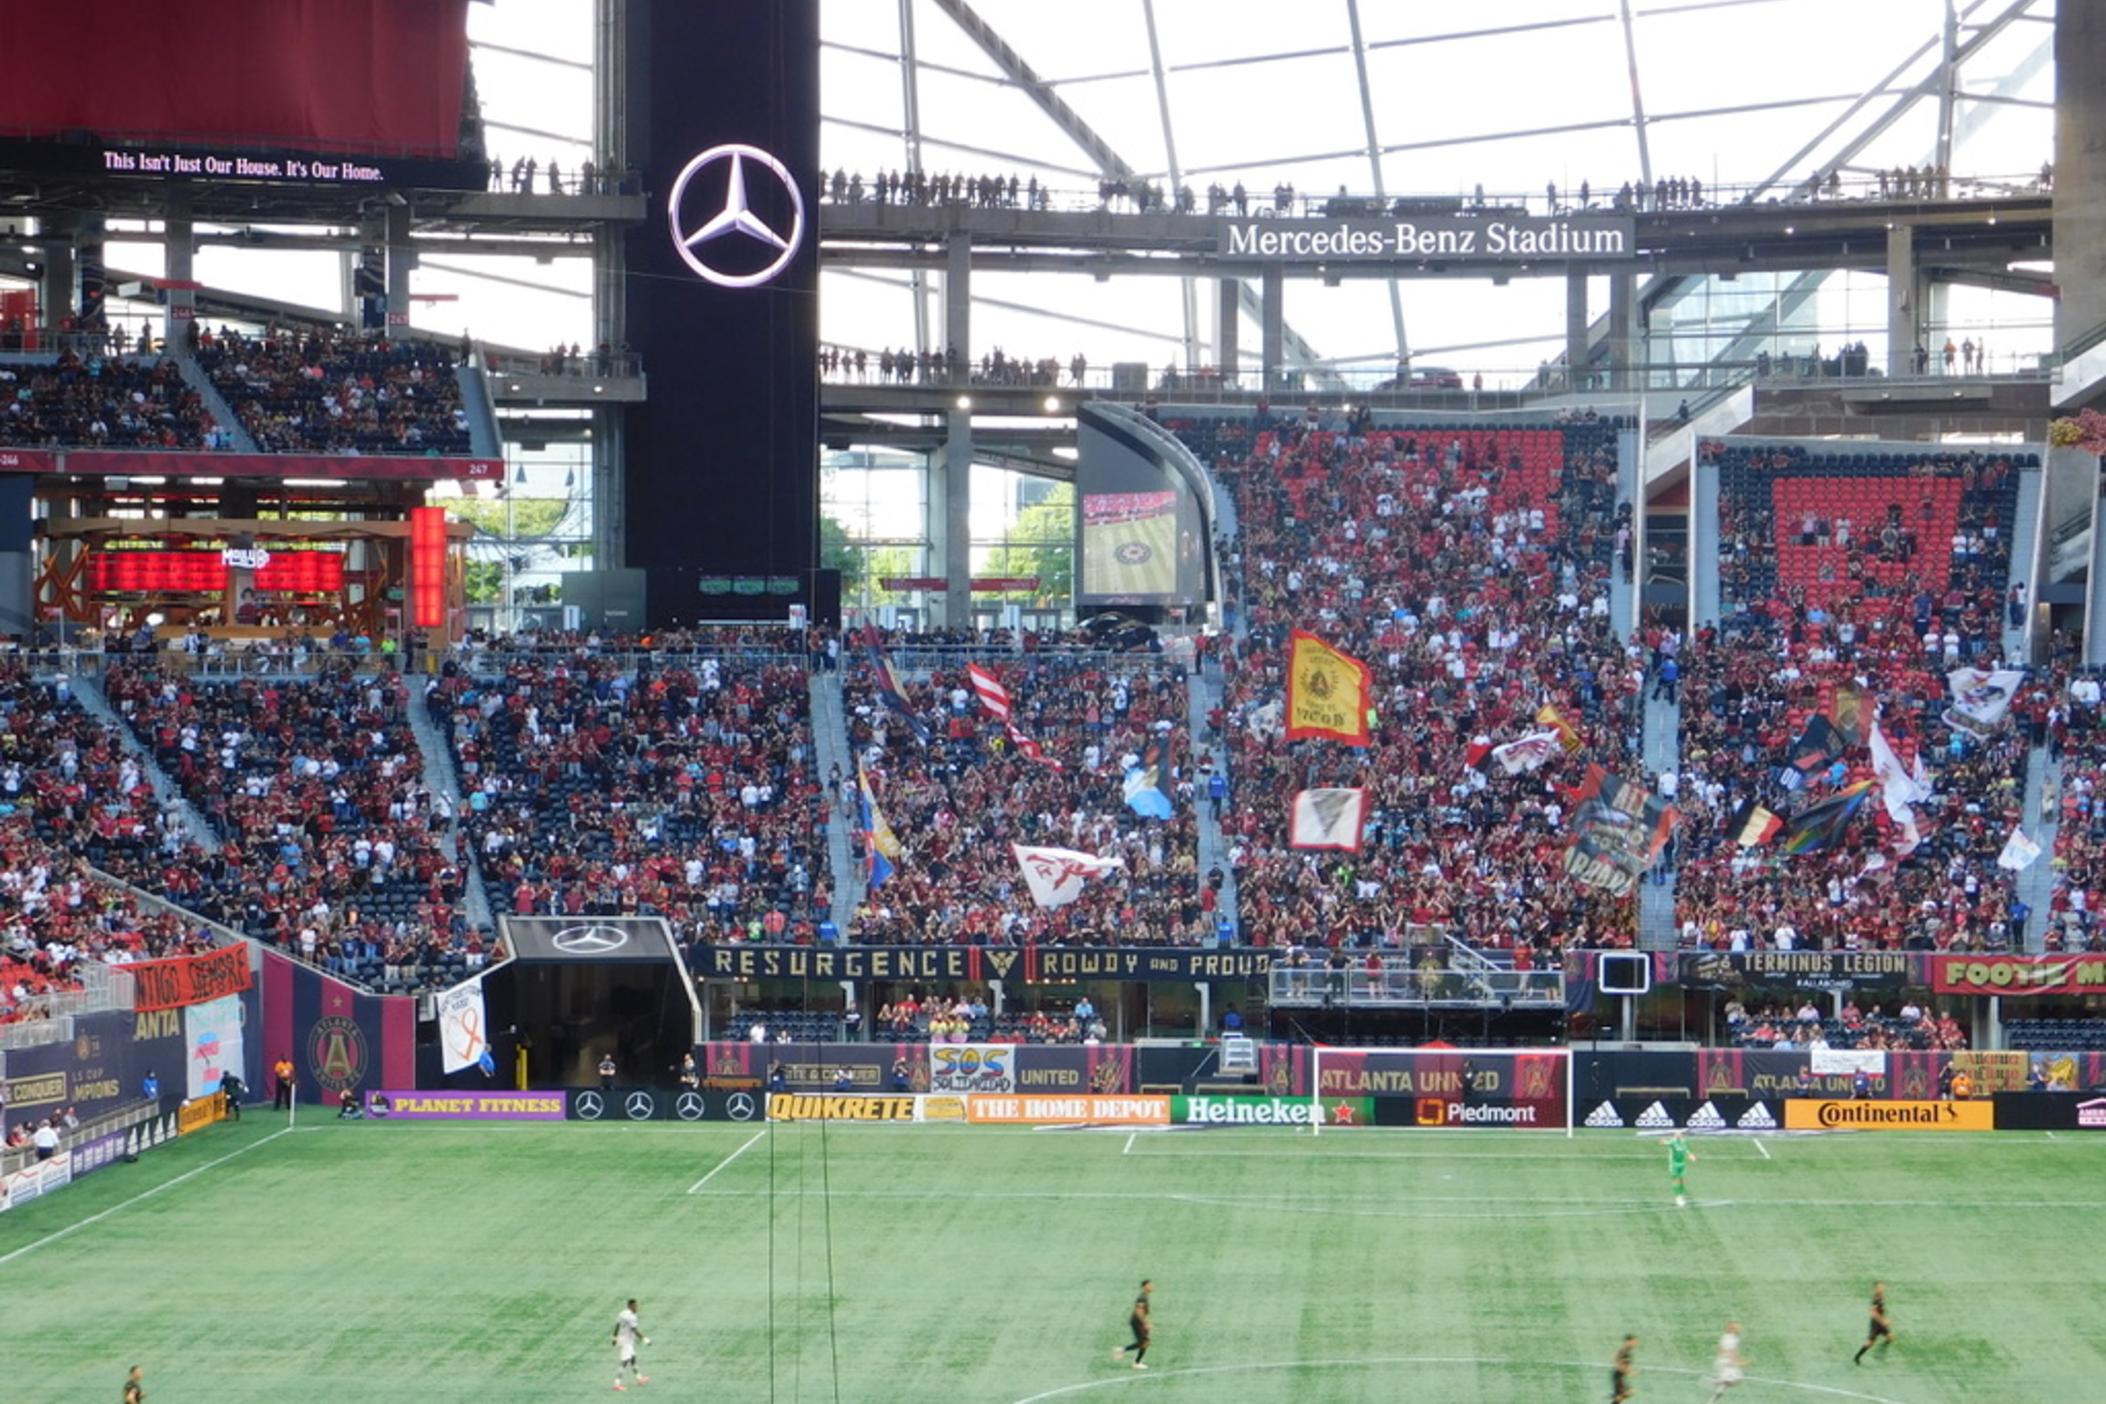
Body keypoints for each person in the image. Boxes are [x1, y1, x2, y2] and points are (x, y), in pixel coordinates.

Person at [1111, 1279, 1153, 1369]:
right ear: (1144, 1286)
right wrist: (1145, 1323)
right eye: (1149, 1285)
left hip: (1138, 1322)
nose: (1151, 1287)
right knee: (1145, 1342)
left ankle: (1134, 1360)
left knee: (1144, 1342)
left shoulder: (1144, 1296)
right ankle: (1131, 1358)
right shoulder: (1142, 1297)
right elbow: (1139, 1311)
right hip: (1137, 1322)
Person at [612, 1297, 651, 1390]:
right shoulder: (632, 1317)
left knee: (633, 1358)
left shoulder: (621, 1313)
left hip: (623, 1339)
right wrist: (645, 1339)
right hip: (627, 1342)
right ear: (630, 1306)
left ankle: (639, 1378)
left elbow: (617, 1325)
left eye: (637, 1305)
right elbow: (635, 1330)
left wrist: (614, 1338)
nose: (637, 1307)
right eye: (635, 1306)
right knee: (624, 1363)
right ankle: (616, 1384)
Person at [1705, 1321, 1745, 1402]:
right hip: (1727, 1362)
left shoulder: (1726, 1337)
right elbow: (1730, 1351)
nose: (1740, 1328)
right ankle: (1714, 1381)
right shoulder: (1732, 1339)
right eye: (1738, 1327)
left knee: (1725, 1385)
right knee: (1736, 1380)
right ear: (1733, 1329)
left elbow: (1720, 1349)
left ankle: (1711, 1401)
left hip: (1724, 1361)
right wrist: (1737, 1361)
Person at [1855, 1281, 1893, 1363]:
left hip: (1880, 1323)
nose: (1882, 1288)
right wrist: (1884, 1321)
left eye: (1883, 1286)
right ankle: (1857, 1357)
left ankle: (1881, 1350)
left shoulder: (1881, 1296)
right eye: (1880, 1287)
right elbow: (1873, 1312)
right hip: (1876, 1324)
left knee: (1890, 1337)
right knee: (1870, 1343)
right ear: (1876, 1288)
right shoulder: (1876, 1299)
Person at [1666, 1130, 1695, 1207]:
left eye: (1680, 1135)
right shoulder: (1672, 1142)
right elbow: (1667, 1143)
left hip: (1682, 1164)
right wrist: (1662, 1142)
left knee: (1682, 1180)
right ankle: (1678, 1197)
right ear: (1675, 1136)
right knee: (1676, 1180)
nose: (1679, 1136)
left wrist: (1690, 1155)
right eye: (1677, 1135)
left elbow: (1685, 1149)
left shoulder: (1683, 1142)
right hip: (1674, 1164)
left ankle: (1681, 1195)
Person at [1612, 1333, 1639, 1402]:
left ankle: (1614, 1397)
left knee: (1622, 1396)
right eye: (1634, 1342)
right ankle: (1613, 1397)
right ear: (1627, 1342)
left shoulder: (1625, 1351)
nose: (1635, 1344)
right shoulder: (1625, 1352)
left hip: (1620, 1376)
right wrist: (1631, 1372)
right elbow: (1620, 1367)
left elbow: (1615, 1356)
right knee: (1624, 1395)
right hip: (1618, 1377)